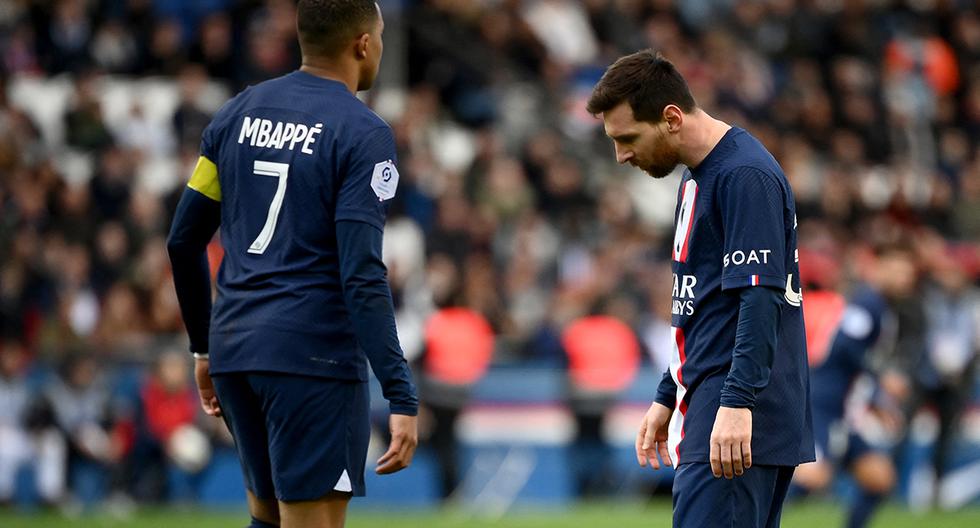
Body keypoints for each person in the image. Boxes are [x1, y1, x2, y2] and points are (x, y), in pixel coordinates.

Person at [166, 2, 419, 527]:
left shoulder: (236, 113)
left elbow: (182, 241)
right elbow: (362, 273)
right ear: (363, 44)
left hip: (236, 353)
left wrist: (203, 348)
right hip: (312, 358)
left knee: (269, 519)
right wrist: (400, 390)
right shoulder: (363, 133)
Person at [587, 50, 814, 528]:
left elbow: (760, 297)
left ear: (670, 118)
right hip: (712, 399)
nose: (621, 155)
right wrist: (668, 392)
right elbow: (699, 301)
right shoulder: (701, 174)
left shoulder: (742, 175)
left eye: (627, 138)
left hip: (732, 409)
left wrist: (736, 404)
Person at [794, 243, 918, 528]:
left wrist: (876, 400)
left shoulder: (883, 308)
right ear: (877, 268)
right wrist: (881, 381)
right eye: (896, 269)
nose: (903, 277)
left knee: (879, 479)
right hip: (825, 405)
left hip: (846, 412)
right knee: (813, 477)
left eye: (907, 272)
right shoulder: (867, 303)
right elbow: (844, 349)